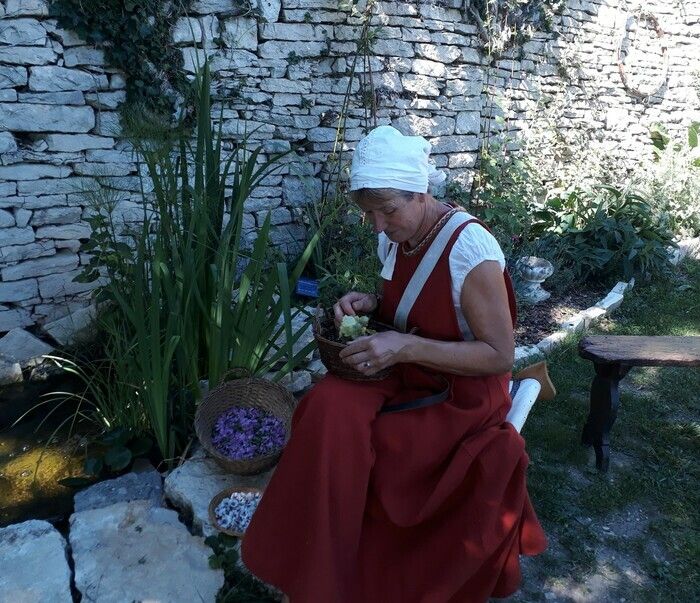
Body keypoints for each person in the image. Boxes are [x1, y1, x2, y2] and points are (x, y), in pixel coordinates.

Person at [242, 126, 547, 602]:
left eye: (387, 210)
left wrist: (403, 347)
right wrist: (372, 305)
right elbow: (410, 303)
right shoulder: (396, 235)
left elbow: (499, 355)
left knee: (382, 446)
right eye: (368, 212)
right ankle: (312, 562)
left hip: (460, 395)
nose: (378, 225)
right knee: (323, 408)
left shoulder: (471, 250)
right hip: (409, 372)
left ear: (421, 193)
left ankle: (369, 572)